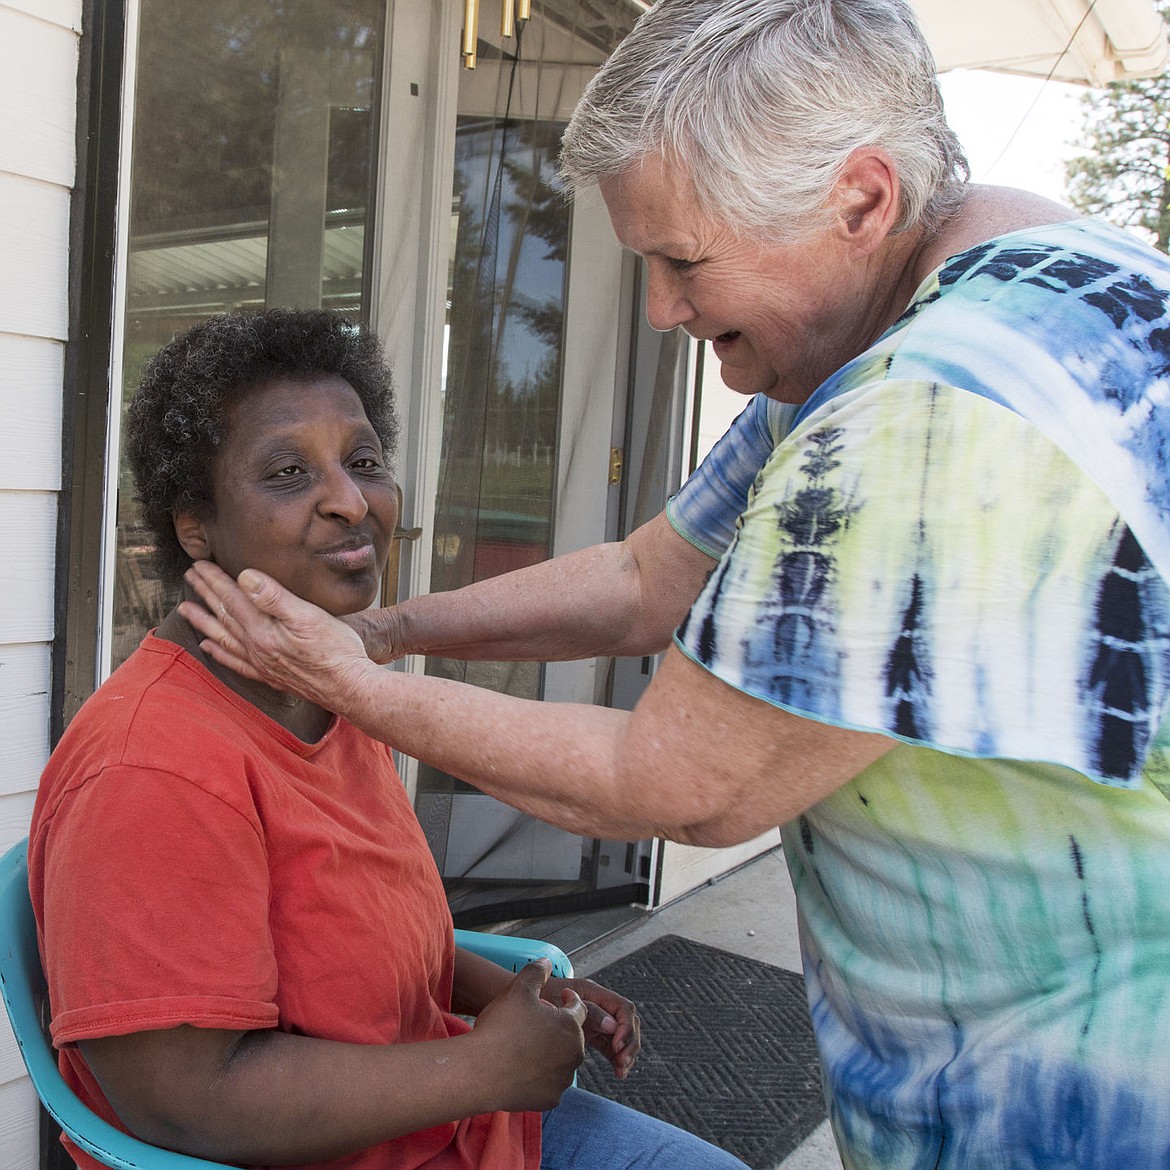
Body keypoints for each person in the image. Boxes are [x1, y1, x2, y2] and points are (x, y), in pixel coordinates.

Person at [179, 1, 1170, 1166]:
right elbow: (646, 576)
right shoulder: (982, 291)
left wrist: (350, 684)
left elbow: (687, 788)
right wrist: (388, 631)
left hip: (1069, 1106)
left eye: (683, 260)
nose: (660, 310)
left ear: (861, 199)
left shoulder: (927, 414)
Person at [28, 309, 750, 1170]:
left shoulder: (326, 694)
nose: (350, 500)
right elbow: (185, 1100)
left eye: (363, 461)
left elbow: (362, 940)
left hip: (458, 1128)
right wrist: (479, 1065)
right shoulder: (152, 768)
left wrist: (520, 996)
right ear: (195, 525)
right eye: (289, 472)